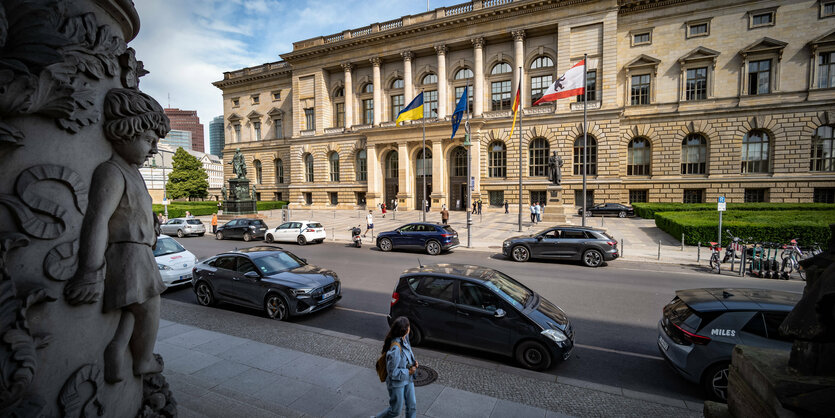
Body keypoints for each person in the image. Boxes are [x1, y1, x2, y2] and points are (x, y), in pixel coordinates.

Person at [64, 88, 169, 383]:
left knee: (133, 308)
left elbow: (134, 211)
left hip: (138, 252)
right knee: (148, 307)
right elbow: (96, 222)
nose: (154, 149)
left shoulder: (131, 171)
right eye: (149, 140)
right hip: (128, 253)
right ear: (124, 133)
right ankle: (143, 360)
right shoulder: (112, 172)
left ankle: (117, 349)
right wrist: (89, 271)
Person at [375, 317, 417, 418]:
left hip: (408, 379)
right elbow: (393, 373)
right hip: (397, 383)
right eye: (409, 326)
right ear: (406, 329)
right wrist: (409, 372)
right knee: (395, 411)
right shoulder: (395, 349)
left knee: (412, 406)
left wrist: (413, 363)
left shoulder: (405, 338)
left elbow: (406, 356)